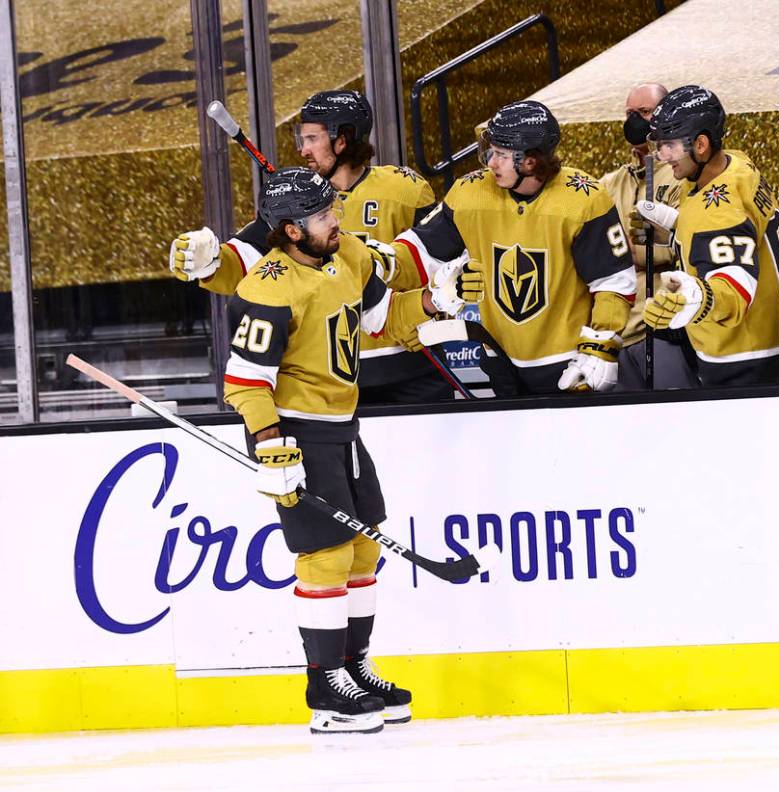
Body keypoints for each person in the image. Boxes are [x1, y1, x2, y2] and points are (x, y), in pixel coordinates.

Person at [223, 167, 460, 734]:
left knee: (361, 552)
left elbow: (380, 323)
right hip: (297, 434)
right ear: (291, 230)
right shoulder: (268, 286)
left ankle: (353, 666)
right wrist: (270, 445)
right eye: (324, 216)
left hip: (344, 427)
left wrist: (430, 301)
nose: (337, 222)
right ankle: (324, 684)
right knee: (324, 558)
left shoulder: (348, 254)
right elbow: (245, 381)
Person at [170, 89, 452, 404]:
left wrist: (387, 266)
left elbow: (439, 258)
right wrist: (210, 261)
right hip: (327, 377)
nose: (303, 149)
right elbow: (246, 262)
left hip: (410, 366)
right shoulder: (293, 198)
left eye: (312, 139)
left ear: (343, 139)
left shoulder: (404, 189)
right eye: (301, 139)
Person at [387, 100, 637, 396]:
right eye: (490, 150)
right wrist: (377, 262)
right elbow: (419, 249)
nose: (490, 162)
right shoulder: (471, 193)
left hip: (567, 361)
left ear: (531, 160)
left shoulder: (583, 197)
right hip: (496, 358)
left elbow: (612, 280)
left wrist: (600, 347)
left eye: (502, 155)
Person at [633, 85, 779, 386]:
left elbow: (733, 291)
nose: (662, 156)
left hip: (749, 359)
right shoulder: (737, 163)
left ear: (702, 144)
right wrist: (679, 229)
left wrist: (696, 298)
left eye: (670, 146)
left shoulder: (719, 209)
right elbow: (740, 238)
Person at [599, 82, 696, 391]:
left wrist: (633, 253)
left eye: (644, 112)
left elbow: (688, 244)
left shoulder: (684, 174)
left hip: (666, 325)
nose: (635, 121)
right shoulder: (609, 184)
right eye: (629, 113)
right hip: (619, 329)